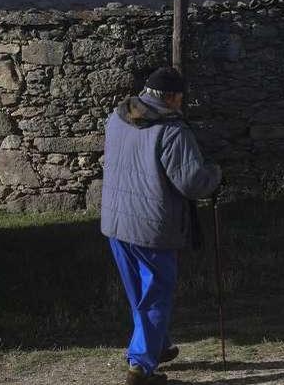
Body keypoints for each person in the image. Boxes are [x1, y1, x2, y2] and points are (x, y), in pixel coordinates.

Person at [100, 67, 222, 385]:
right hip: (151, 226)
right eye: (180, 97)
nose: (182, 104)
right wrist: (216, 174)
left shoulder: (118, 117)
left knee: (139, 292)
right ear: (170, 97)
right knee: (155, 295)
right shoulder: (171, 131)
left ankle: (158, 344)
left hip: (116, 221)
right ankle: (140, 368)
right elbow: (193, 182)